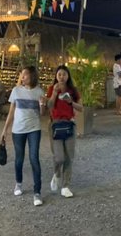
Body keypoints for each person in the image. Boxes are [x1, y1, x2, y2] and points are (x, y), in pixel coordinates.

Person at [1, 66, 46, 206]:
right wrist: (4, 130)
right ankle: (18, 183)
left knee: (34, 158)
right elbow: (11, 112)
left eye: (25, 75)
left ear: (32, 76)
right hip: (18, 130)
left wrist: (42, 105)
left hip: (34, 128)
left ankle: (37, 192)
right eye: (22, 74)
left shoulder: (39, 91)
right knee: (19, 159)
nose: (22, 77)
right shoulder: (16, 91)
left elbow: (42, 114)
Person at [46, 65, 83, 198]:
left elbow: (81, 108)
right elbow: (49, 106)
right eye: (59, 74)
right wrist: (55, 94)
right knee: (59, 157)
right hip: (55, 124)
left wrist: (70, 102)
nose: (62, 77)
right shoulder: (51, 88)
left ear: (68, 76)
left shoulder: (73, 90)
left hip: (69, 125)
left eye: (64, 74)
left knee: (69, 157)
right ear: (56, 76)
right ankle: (56, 174)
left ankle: (65, 186)